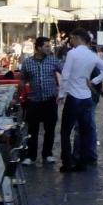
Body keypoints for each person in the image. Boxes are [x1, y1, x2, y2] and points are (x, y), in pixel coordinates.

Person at [58, 29, 103, 172]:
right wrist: (94, 81)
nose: (71, 41)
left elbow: (65, 75)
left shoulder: (72, 53)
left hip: (73, 97)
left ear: (77, 38)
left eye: (72, 38)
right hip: (86, 97)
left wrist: (61, 94)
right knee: (85, 131)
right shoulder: (92, 55)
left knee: (65, 132)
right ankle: (83, 163)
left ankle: (67, 163)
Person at [20, 37, 63, 165]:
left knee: (50, 128)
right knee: (32, 129)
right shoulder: (27, 62)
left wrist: (63, 91)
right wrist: (17, 96)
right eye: (46, 46)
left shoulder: (53, 61)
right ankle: (31, 156)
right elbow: (23, 80)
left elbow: (65, 73)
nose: (49, 48)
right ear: (38, 47)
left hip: (50, 100)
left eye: (49, 46)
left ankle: (47, 154)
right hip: (34, 101)